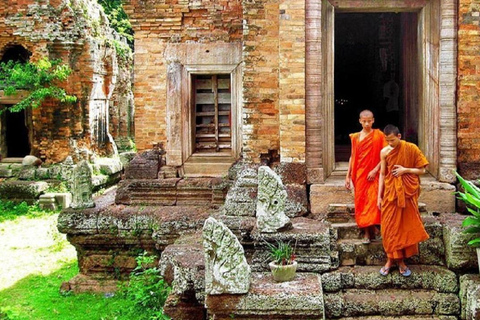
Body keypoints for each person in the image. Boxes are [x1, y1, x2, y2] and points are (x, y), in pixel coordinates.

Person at [377, 124, 430, 277]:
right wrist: (378, 196)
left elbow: (422, 170)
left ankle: (398, 261)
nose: (390, 144)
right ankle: (392, 260)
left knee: (403, 228)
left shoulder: (411, 148)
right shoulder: (384, 152)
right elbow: (382, 174)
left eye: (392, 140)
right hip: (390, 193)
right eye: (387, 141)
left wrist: (405, 170)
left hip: (406, 194)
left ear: (399, 136)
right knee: (389, 228)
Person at [345, 110, 386, 244]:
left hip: (374, 175)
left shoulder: (379, 135)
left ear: (373, 120)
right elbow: (352, 156)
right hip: (360, 175)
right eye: (364, 121)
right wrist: (347, 176)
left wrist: (375, 170)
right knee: (362, 203)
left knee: (374, 202)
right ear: (360, 121)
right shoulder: (356, 137)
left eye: (369, 121)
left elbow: (386, 155)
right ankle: (367, 232)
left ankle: (373, 228)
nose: (367, 124)